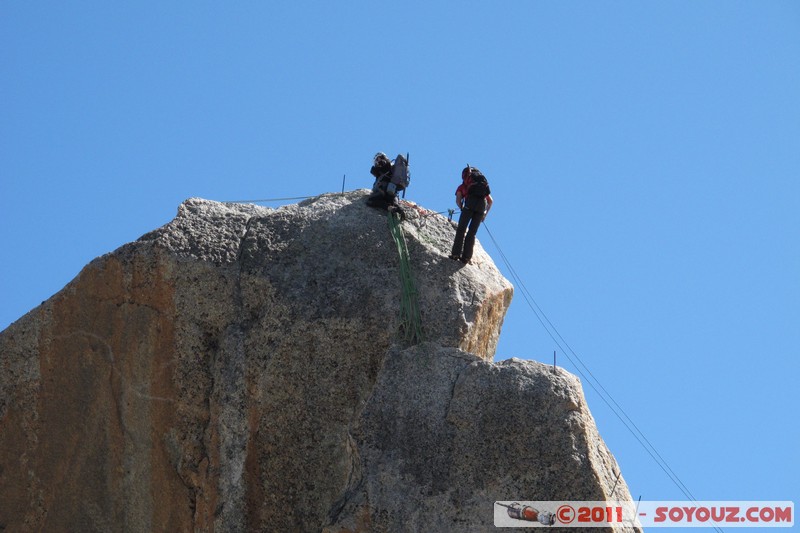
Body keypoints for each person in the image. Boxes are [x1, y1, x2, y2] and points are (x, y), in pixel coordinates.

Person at [450, 165, 493, 263]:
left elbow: (458, 201)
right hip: (482, 205)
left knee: (461, 229)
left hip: (470, 204)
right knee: (472, 233)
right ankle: (466, 257)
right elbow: (490, 201)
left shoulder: (462, 187)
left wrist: (462, 208)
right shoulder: (480, 184)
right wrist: (485, 214)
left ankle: (455, 254)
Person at [366, 152, 408, 217]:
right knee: (394, 203)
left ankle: (390, 208)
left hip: (382, 191)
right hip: (392, 192)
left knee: (371, 201)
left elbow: (377, 171)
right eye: (377, 160)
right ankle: (399, 210)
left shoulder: (383, 168)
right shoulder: (392, 167)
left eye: (379, 158)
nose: (378, 161)